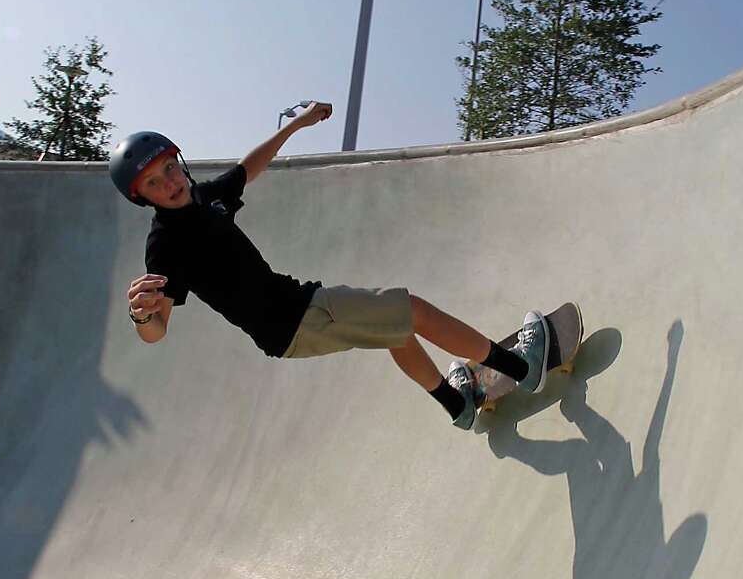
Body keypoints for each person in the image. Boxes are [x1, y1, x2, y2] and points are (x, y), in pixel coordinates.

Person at [109, 103, 551, 430]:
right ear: (141, 197)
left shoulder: (204, 196)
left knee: (395, 331)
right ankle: (521, 369)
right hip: (293, 320)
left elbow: (247, 170)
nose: (169, 183)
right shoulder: (164, 244)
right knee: (412, 310)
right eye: (154, 183)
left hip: (297, 308)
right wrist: (142, 315)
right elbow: (157, 330)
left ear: (179, 162)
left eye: (170, 168)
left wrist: (295, 126)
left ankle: (458, 407)